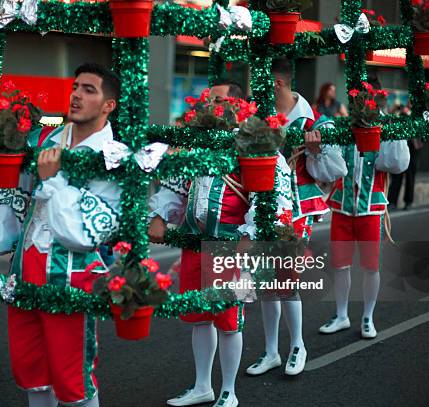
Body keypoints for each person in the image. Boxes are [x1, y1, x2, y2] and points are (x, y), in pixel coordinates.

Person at [0, 63, 121, 407]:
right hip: (24, 272)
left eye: (89, 90)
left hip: (72, 281)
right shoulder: (44, 140)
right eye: (76, 87)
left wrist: (53, 181)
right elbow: (15, 199)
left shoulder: (113, 158)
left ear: (109, 105)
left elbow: (83, 235)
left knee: (74, 382)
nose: (77, 95)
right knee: (32, 375)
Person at [148, 80, 294, 407]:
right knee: (199, 317)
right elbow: (177, 186)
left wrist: (248, 237)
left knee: (229, 320)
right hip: (194, 243)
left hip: (230, 247)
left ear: (238, 106)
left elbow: (273, 198)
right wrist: (158, 215)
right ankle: (203, 385)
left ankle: (229, 390)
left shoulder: (256, 145)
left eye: (216, 101)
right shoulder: (199, 146)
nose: (207, 106)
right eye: (207, 100)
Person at [245, 58, 348, 377]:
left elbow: (335, 170)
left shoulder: (313, 121)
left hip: (296, 208)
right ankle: (272, 351)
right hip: (260, 205)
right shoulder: (254, 115)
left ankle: (298, 346)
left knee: (287, 278)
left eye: (257, 81)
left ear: (275, 83)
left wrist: (317, 151)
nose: (252, 88)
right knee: (266, 281)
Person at [319, 87, 410, 339]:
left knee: (371, 267)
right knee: (339, 265)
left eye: (370, 99)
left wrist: (385, 130)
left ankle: (368, 317)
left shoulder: (385, 128)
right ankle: (341, 315)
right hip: (341, 206)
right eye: (360, 99)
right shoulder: (341, 126)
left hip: (371, 207)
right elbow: (331, 164)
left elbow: (395, 164)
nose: (365, 104)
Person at [388, 104, 421, 211]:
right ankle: (392, 201)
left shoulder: (418, 113)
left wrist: (408, 113)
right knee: (396, 174)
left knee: (410, 176)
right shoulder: (401, 112)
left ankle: (408, 202)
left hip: (412, 148)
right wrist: (396, 109)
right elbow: (390, 118)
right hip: (400, 147)